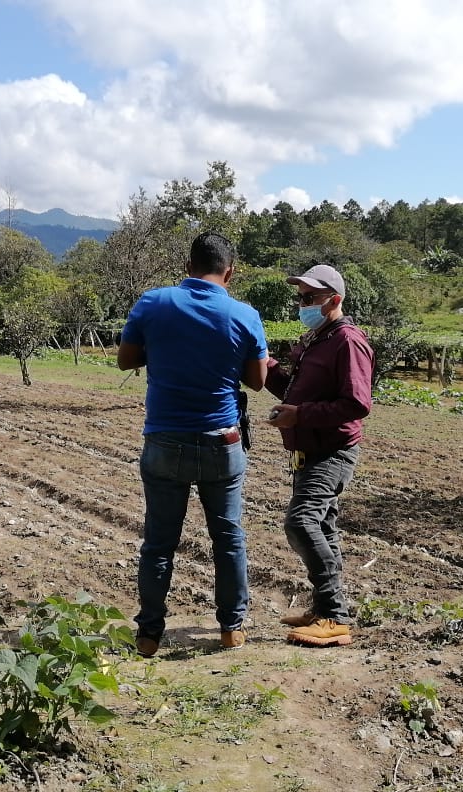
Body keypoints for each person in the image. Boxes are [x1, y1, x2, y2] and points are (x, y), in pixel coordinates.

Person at [117, 232, 268, 658]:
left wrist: (163, 352)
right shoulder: (244, 314)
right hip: (222, 441)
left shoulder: (153, 302)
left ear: (187, 267)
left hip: (164, 440)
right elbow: (257, 381)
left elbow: (125, 360)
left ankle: (148, 634)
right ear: (229, 272)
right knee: (228, 538)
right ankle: (231, 628)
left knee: (159, 542)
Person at [266, 263, 373, 647]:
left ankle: (334, 618)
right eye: (300, 297)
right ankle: (324, 609)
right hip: (308, 450)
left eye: (310, 297)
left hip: (331, 451)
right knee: (323, 528)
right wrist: (266, 364)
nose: (302, 304)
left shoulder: (347, 341)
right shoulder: (318, 338)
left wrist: (301, 415)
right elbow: (292, 391)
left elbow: (357, 403)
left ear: (334, 299)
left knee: (301, 523)